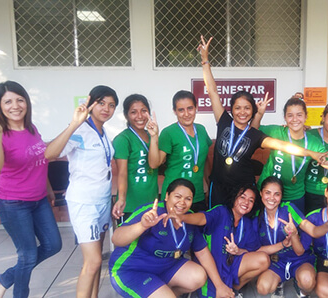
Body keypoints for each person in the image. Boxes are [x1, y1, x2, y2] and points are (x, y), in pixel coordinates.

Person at [199, 36, 326, 208]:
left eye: (247, 108)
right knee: (217, 225)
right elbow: (212, 90)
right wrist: (205, 60)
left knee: (242, 228)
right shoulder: (223, 121)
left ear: (253, 111)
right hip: (219, 187)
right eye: (238, 108)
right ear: (231, 110)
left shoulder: (255, 135)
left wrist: (312, 154)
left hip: (243, 190)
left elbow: (284, 146)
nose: (242, 112)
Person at [0, 81, 62, 298]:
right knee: (27, 256)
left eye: (19, 99)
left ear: (26, 102)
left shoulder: (32, 129)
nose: (15, 105)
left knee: (53, 245)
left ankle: (2, 279)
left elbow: (41, 160)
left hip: (39, 200)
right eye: (8, 101)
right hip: (13, 204)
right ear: (0, 106)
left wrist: (49, 188)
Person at [44, 85, 118, 298]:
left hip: (103, 201)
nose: (106, 108)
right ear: (91, 104)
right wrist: (74, 123)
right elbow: (50, 153)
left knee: (94, 262)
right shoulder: (79, 130)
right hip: (84, 203)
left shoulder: (103, 132)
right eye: (101, 103)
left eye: (111, 105)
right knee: (93, 261)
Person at [109, 178, 234, 298]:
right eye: (177, 197)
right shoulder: (151, 212)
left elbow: (202, 252)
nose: (182, 202)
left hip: (166, 268)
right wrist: (142, 226)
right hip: (133, 270)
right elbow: (116, 239)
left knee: (198, 276)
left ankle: (159, 291)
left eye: (188, 199)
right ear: (167, 196)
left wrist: (220, 286)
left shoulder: (188, 218)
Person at [169, 183, 270, 297]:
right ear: (234, 197)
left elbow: (253, 250)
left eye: (251, 200)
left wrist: (238, 251)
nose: (246, 202)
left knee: (263, 259)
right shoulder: (221, 212)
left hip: (232, 265)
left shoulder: (246, 223)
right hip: (214, 266)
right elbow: (202, 218)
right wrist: (182, 218)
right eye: (242, 197)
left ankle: (234, 288)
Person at [149, 90, 212, 212]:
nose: (186, 114)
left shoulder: (201, 130)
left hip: (196, 194)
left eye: (190, 108)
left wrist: (209, 186)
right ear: (174, 111)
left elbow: (205, 159)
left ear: (196, 108)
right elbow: (154, 163)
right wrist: (153, 136)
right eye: (181, 110)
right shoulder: (169, 132)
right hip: (175, 197)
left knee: (197, 230)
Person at [254, 176, 316, 298]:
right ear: (261, 193)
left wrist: (294, 234)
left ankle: (302, 290)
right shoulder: (257, 217)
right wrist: (283, 244)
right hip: (276, 262)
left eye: (277, 194)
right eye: (267, 193)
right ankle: (278, 282)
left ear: (281, 196)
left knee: (307, 281)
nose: (271, 198)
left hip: (299, 260)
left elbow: (299, 251)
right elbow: (258, 250)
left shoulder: (288, 209)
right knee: (262, 288)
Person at [111, 94, 159, 223]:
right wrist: (121, 199)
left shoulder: (152, 135)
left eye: (144, 111)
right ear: (126, 115)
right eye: (133, 112)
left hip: (151, 202)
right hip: (130, 204)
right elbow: (122, 173)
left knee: (150, 242)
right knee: (130, 242)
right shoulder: (123, 139)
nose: (139, 116)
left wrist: (155, 137)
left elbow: (155, 164)